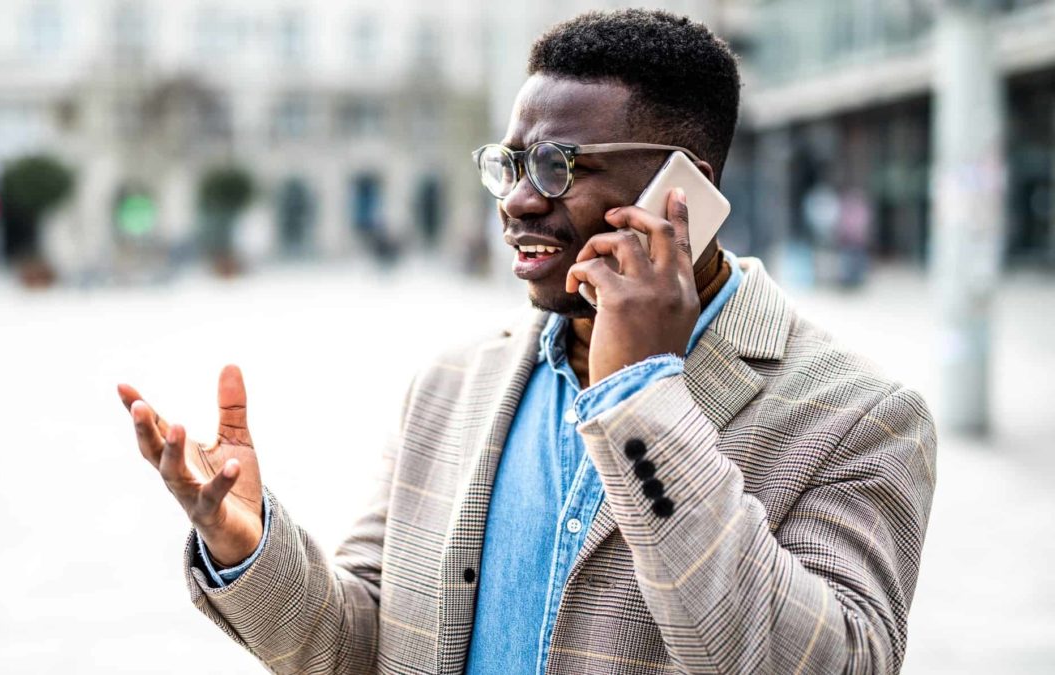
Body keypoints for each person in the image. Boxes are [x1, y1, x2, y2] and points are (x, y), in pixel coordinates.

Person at [119, 9, 936, 674]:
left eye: (556, 165)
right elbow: (364, 648)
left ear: (684, 188)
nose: (516, 201)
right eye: (509, 164)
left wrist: (645, 398)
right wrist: (246, 541)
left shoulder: (861, 419)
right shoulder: (452, 383)